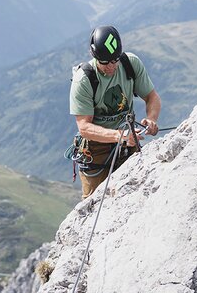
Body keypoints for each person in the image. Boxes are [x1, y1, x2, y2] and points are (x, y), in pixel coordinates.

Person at [69, 25, 161, 198]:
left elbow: (152, 97)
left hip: (128, 140)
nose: (111, 67)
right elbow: (84, 127)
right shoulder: (84, 79)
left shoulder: (130, 64)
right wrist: (119, 136)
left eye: (115, 60)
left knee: (136, 194)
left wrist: (151, 119)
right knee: (94, 205)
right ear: (94, 56)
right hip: (96, 146)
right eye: (104, 62)